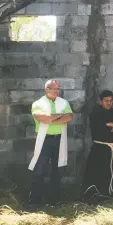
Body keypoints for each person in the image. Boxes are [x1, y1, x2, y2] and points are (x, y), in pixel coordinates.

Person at [28, 79, 73, 210]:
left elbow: (69, 117)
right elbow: (41, 118)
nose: (56, 91)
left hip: (59, 139)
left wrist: (51, 119)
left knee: (57, 170)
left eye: (57, 89)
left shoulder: (64, 102)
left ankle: (54, 201)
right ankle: (34, 202)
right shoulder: (38, 103)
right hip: (45, 140)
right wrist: (58, 117)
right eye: (53, 89)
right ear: (46, 89)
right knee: (39, 169)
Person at [81, 90, 113, 203]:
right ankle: (99, 195)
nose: (109, 103)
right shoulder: (95, 114)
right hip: (100, 148)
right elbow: (100, 130)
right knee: (100, 171)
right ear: (101, 101)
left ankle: (112, 193)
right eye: (106, 101)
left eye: (111, 100)